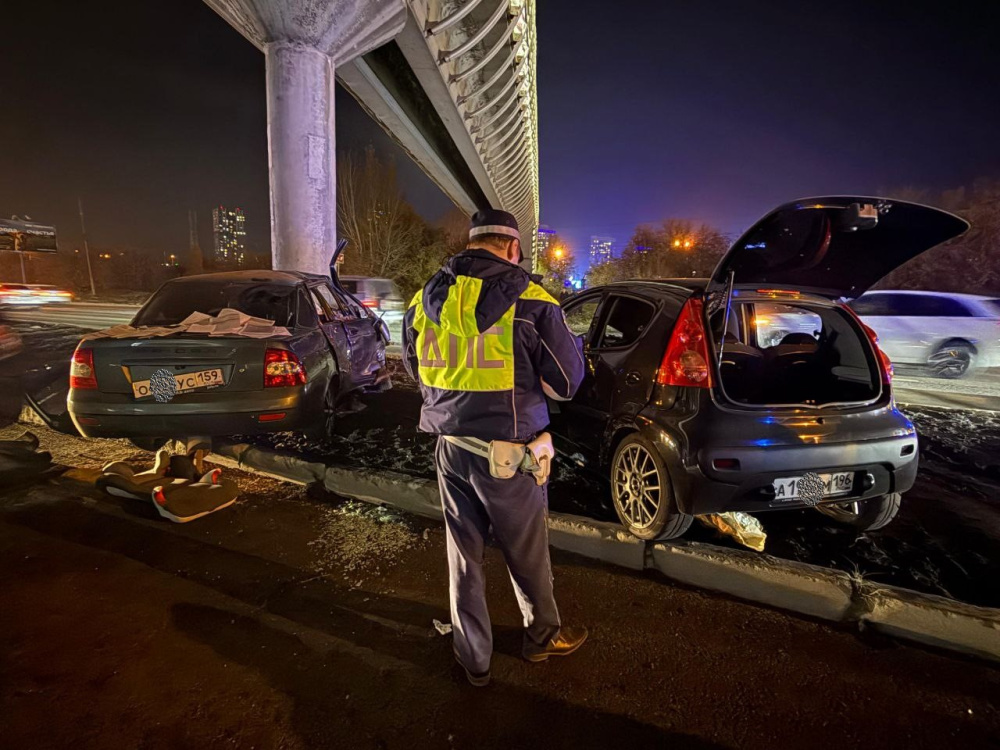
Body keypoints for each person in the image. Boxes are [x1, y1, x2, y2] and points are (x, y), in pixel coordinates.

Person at [402, 209, 587, 686]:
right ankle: (542, 639)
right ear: (512, 248)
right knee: (527, 554)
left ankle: (474, 658)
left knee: (462, 557)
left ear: (471, 243)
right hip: (511, 456)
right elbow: (567, 383)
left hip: (450, 449)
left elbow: (415, 369)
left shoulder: (425, 300)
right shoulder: (532, 301)